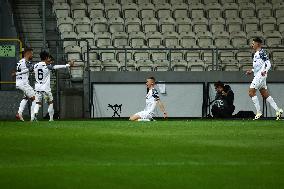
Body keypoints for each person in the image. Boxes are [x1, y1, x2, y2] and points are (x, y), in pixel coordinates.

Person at [246, 37, 283, 120]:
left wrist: (265, 71)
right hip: (259, 74)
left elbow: (268, 63)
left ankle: (258, 113)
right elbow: (259, 66)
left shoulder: (261, 52)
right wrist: (252, 70)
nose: (252, 45)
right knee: (264, 94)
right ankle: (278, 110)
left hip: (260, 75)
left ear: (258, 44)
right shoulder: (257, 53)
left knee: (251, 92)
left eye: (253, 43)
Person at [32, 51, 74, 121]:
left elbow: (30, 70)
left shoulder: (35, 65)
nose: (49, 59)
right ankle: (51, 119)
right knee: (50, 103)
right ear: (45, 58)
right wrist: (67, 65)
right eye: (48, 58)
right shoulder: (47, 66)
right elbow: (56, 67)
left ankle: (35, 115)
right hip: (45, 88)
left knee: (37, 103)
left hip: (37, 88)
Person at [14, 48, 36, 121]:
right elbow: (30, 69)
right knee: (35, 99)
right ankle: (32, 119)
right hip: (24, 83)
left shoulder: (19, 62)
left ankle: (19, 113)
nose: (32, 55)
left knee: (26, 98)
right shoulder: (26, 62)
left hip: (19, 82)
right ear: (27, 53)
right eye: (31, 53)